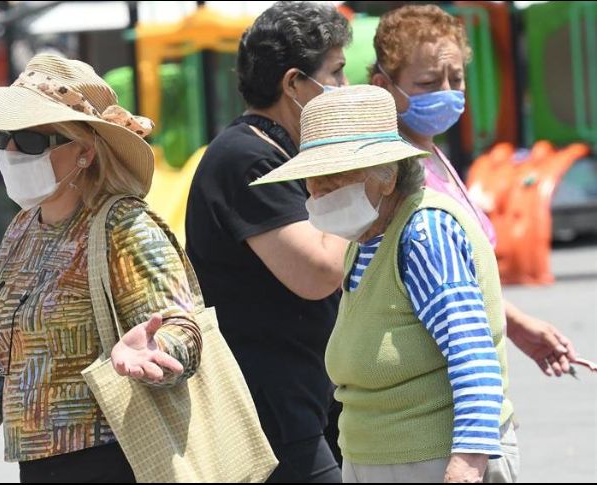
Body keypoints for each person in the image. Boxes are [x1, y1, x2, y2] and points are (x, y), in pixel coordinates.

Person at [0, 53, 202, 483]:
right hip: (41, 467)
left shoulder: (124, 225)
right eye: (0, 135)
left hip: (120, 460)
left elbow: (183, 327)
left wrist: (160, 350)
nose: (8, 151)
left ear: (84, 151)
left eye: (30, 141)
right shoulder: (22, 229)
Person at [252, 85, 518, 483]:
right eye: (312, 177)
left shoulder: (424, 232)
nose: (318, 190)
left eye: (334, 175)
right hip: (384, 460)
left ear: (387, 176)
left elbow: (472, 355)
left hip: (434, 460)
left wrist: (467, 463)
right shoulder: (365, 240)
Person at [185, 2, 350, 481]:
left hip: (314, 394)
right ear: (295, 83)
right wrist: (355, 184)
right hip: (272, 408)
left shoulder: (281, 149)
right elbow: (317, 273)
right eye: (336, 74)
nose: (344, 88)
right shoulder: (247, 158)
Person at [368, 4, 578, 377]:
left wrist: (514, 324)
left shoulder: (433, 155)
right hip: (439, 377)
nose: (447, 93)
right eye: (429, 83)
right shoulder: (389, 172)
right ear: (384, 85)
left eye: (457, 78)